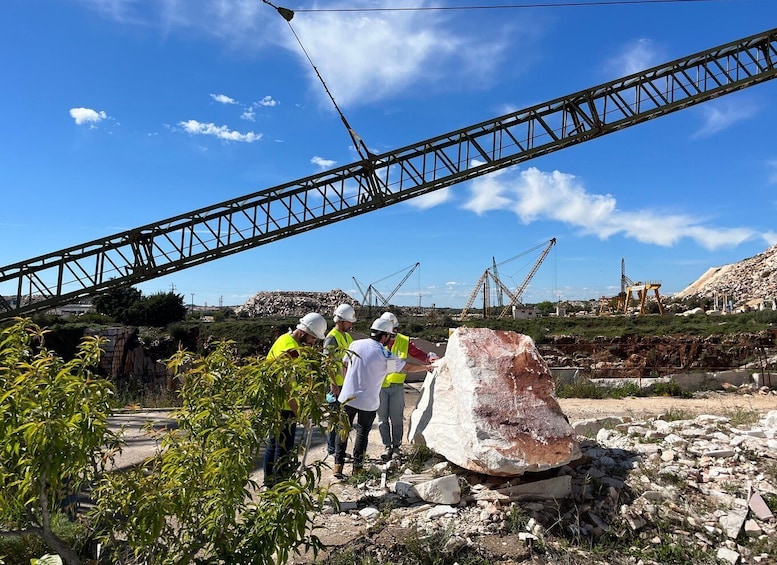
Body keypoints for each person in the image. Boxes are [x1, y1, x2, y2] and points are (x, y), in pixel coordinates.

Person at [333, 317, 433, 479]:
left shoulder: (356, 344)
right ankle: (357, 469)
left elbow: (345, 364)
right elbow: (405, 367)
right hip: (368, 401)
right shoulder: (384, 354)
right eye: (390, 336)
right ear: (385, 336)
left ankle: (337, 466)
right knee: (362, 434)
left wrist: (347, 382)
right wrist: (425, 367)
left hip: (346, 397)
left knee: (343, 431)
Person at [262, 312, 327, 486]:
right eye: (313, 338)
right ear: (305, 332)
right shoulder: (290, 348)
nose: (314, 342)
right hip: (283, 405)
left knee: (275, 444)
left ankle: (270, 484)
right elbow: (286, 386)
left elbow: (301, 374)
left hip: (276, 403)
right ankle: (280, 487)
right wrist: (300, 413)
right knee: (283, 448)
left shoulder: (288, 340)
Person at [376, 311, 438, 462]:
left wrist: (429, 358)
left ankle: (396, 447)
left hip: (397, 385)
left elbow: (417, 353)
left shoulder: (403, 341)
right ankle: (387, 446)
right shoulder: (377, 342)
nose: (393, 334)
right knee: (382, 419)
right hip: (380, 386)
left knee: (396, 418)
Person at [322, 303, 357, 456]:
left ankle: (339, 449)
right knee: (335, 419)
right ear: (340, 321)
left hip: (347, 383)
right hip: (337, 386)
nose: (350, 325)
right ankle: (333, 450)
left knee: (344, 420)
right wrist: (333, 384)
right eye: (349, 322)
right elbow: (327, 362)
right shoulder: (331, 338)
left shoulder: (347, 336)